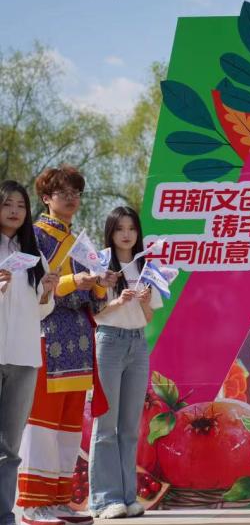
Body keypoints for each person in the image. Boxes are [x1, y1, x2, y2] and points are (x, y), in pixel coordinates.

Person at [19, 165, 115, 525]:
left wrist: (101, 283)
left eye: (76, 192)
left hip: (79, 341)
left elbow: (98, 302)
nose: (72, 198)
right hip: (47, 337)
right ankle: (33, 504)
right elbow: (35, 289)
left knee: (68, 427)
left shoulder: (80, 242)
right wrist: (76, 280)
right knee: (42, 425)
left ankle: (59, 500)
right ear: (46, 198)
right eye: (64, 192)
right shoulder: (34, 237)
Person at [89, 206, 164, 520]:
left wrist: (145, 304)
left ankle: (128, 497)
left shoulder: (146, 266)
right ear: (110, 232)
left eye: (131, 228)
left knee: (131, 427)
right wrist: (116, 301)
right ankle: (104, 500)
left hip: (137, 343)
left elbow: (149, 317)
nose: (126, 234)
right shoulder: (100, 266)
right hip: (108, 341)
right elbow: (93, 313)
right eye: (120, 228)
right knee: (106, 425)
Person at [0, 181, 57, 525]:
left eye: (20, 205)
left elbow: (41, 311)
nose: (14, 211)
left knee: (10, 446)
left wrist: (46, 292)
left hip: (24, 356)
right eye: (7, 204)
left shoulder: (33, 255)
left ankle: (5, 515)